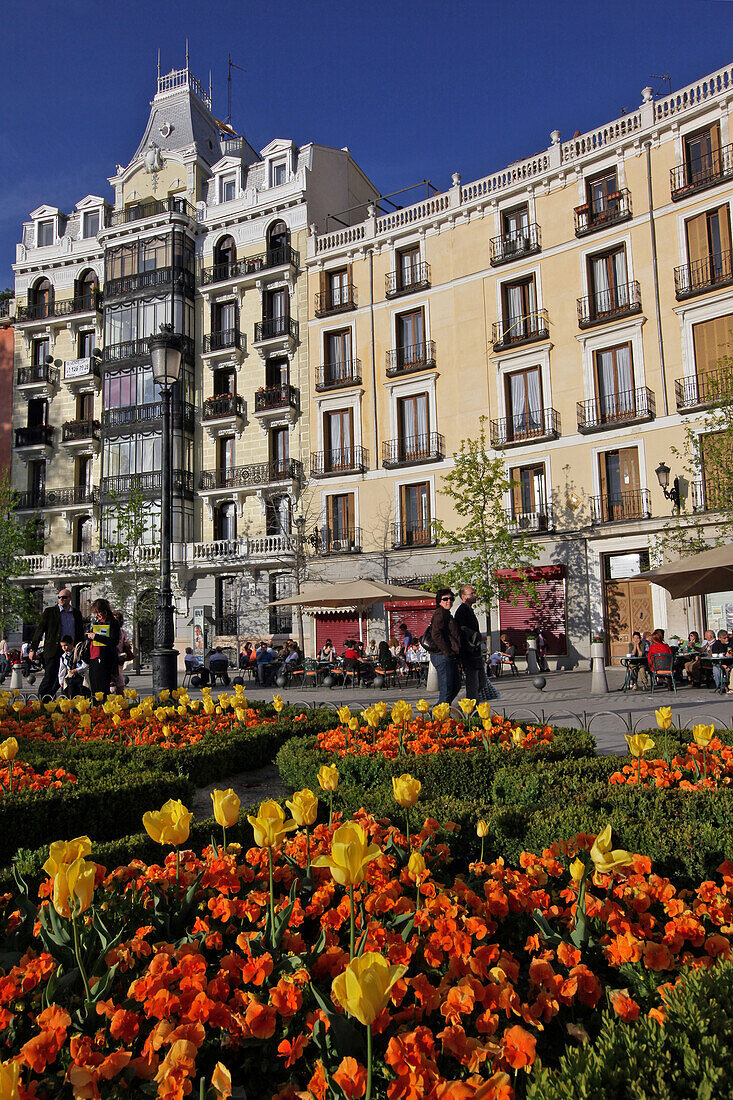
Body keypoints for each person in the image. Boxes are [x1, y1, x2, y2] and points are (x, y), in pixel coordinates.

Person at [30, 588, 85, 699]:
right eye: (59, 597)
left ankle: (70, 702)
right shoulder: (50, 612)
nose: (61, 599)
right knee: (50, 676)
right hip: (54, 650)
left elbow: (80, 632)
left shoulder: (76, 613)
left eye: (64, 597)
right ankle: (43, 701)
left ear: (69, 598)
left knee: (71, 677)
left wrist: (81, 648)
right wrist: (33, 649)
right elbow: (40, 630)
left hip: (72, 651)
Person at [454, 585, 498, 702]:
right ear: (464, 597)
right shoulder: (462, 611)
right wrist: (478, 636)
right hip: (468, 653)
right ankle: (469, 709)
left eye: (475, 593)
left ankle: (461, 704)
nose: (475, 595)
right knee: (473, 684)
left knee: (482, 682)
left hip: (475, 652)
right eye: (472, 593)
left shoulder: (469, 610)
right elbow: (462, 629)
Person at [423, 588, 461, 704]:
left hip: (447, 655)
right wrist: (447, 651)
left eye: (451, 599)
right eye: (445, 599)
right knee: (447, 688)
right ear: (439, 601)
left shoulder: (446, 614)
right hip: (442, 656)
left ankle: (439, 711)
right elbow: (436, 634)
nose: (448, 601)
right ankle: (440, 715)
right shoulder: (440, 614)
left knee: (455, 686)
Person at [85, 598, 120, 701]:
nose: (97, 615)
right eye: (96, 613)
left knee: (102, 688)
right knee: (94, 687)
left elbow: (114, 641)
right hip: (93, 657)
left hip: (104, 658)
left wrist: (96, 637)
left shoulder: (112, 622)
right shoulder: (97, 621)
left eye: (99, 612)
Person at [112, 612, 134, 693]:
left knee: (119, 682)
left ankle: (120, 701)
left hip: (120, 659)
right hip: (112, 659)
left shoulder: (123, 632)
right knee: (118, 683)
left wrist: (126, 644)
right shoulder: (109, 631)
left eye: (117, 620)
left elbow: (124, 643)